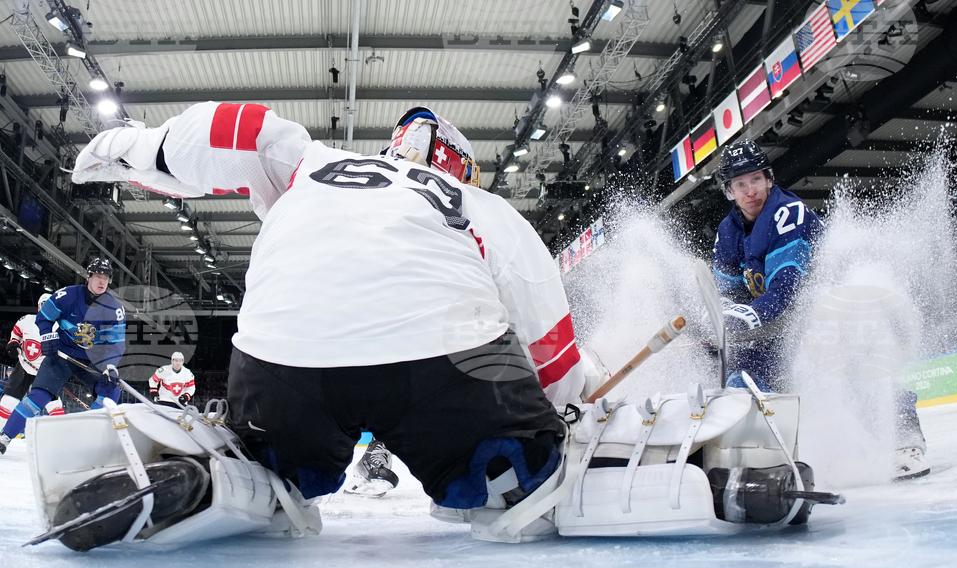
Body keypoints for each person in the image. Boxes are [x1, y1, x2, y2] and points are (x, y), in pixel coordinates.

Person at [71, 103, 585, 513]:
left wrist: (138, 145)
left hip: (282, 364)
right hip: (442, 364)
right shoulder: (475, 202)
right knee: (511, 466)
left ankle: (244, 474)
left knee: (275, 466)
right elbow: (545, 333)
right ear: (460, 167)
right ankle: (515, 477)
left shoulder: (313, 161)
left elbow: (242, 130)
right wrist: (561, 415)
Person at [711, 140, 928, 480]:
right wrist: (720, 316)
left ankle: (906, 443)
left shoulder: (788, 212)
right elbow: (726, 291)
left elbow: (787, 287)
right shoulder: (727, 231)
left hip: (834, 309)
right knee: (743, 379)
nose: (749, 190)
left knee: (850, 372)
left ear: (768, 178)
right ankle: (770, 459)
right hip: (784, 322)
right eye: (740, 183)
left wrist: (745, 315)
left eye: (755, 179)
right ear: (729, 191)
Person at [0, 258, 126, 455]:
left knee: (111, 392)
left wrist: (111, 366)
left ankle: (82, 443)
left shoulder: (114, 309)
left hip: (92, 359)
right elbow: (45, 317)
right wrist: (47, 335)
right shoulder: (67, 295)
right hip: (62, 355)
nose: (102, 281)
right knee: (39, 396)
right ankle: (5, 436)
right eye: (98, 276)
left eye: (106, 278)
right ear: (88, 277)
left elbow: (115, 343)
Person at [0, 293, 65, 430]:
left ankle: (62, 434)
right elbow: (16, 335)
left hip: (45, 371)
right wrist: (13, 344)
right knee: (7, 402)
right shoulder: (26, 320)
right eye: (43, 305)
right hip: (24, 367)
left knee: (54, 406)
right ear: (38, 306)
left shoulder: (60, 327)